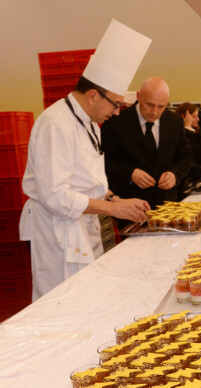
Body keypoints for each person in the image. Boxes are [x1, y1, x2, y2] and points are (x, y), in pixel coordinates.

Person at [19, 20, 152, 300]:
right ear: (93, 95)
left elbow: (87, 179)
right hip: (58, 231)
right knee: (63, 302)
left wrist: (115, 200)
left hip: (84, 222)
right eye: (115, 105)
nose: (116, 113)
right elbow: (55, 197)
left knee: (91, 296)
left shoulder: (89, 121)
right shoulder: (56, 124)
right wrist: (113, 209)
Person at [101, 77, 193, 218]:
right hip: (131, 207)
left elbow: (186, 157)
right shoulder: (117, 121)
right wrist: (130, 173)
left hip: (168, 204)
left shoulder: (174, 122)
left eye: (161, 106)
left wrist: (175, 175)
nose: (155, 112)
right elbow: (104, 162)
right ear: (139, 96)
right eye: (150, 104)